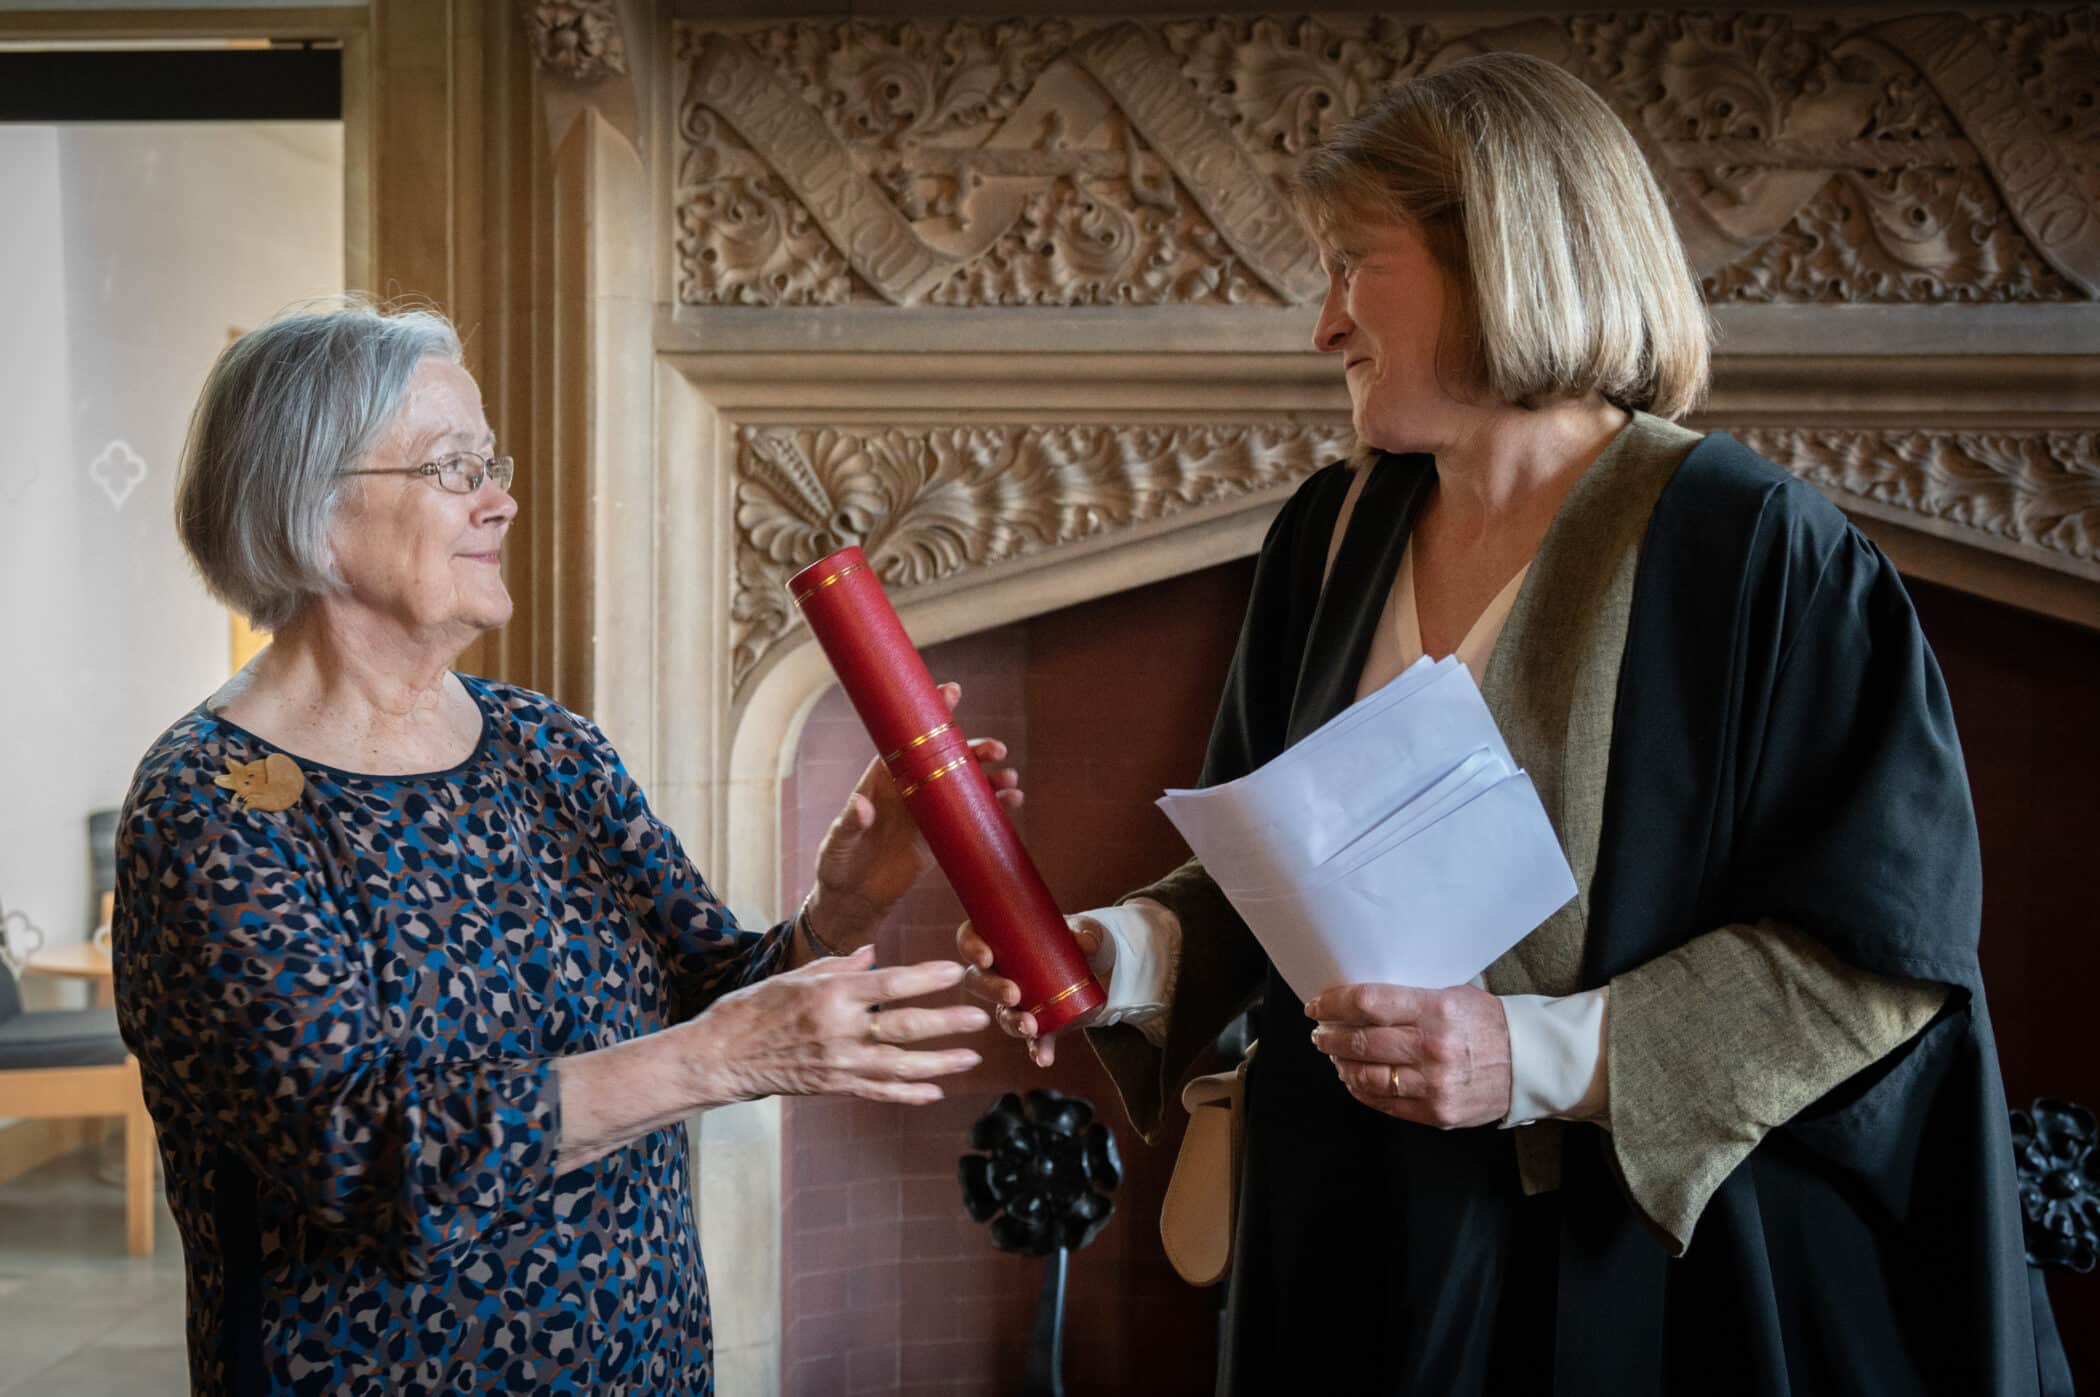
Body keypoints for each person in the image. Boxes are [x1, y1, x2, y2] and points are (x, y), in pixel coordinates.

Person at [963, 52, 2060, 1395]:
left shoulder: (1756, 552)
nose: (1324, 325)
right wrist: (1124, 950)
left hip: (1627, 1280)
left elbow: (1877, 957)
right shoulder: (1331, 534)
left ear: (1498, 259)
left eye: (1353, 264)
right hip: (1343, 1248)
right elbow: (1269, 862)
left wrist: (1530, 1056)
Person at [114, 301, 999, 1395]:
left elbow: (711, 995)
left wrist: (840, 911)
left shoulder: (545, 744)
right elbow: (362, 1154)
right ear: (314, 505)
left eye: (493, 460)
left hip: (645, 1361)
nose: (503, 498)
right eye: (452, 467)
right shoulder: (217, 802)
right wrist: (716, 1056)